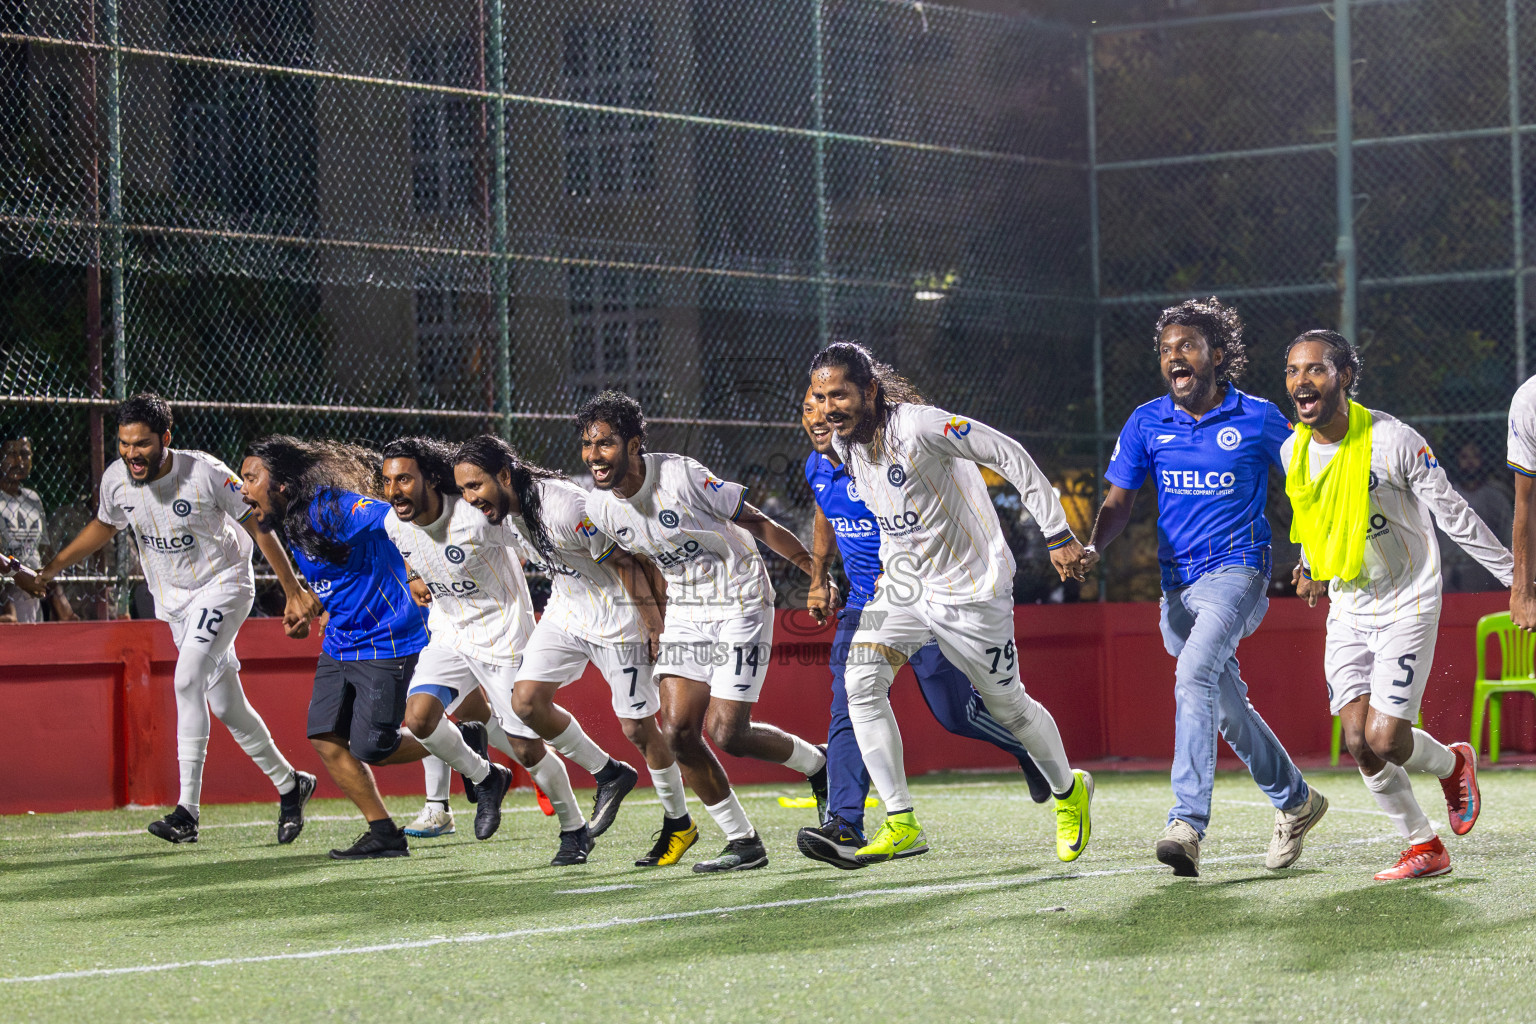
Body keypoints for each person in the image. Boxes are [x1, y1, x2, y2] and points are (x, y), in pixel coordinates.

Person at [807, 342, 1092, 866]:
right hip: (907, 587)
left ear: (870, 390)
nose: (828, 409)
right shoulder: (845, 447)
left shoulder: (921, 427)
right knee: (860, 684)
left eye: (839, 395)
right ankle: (901, 821)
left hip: (972, 589)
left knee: (1007, 706)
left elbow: (1008, 454)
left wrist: (1056, 533)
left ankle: (1068, 791)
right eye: (821, 397)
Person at [1078, 298, 1326, 878]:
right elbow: (1119, 501)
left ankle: (1186, 822)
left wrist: (1312, 554)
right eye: (1166, 350)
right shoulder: (1146, 422)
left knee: (1193, 676)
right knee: (1225, 706)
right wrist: (1093, 547)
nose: (1174, 358)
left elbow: (1307, 485)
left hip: (1239, 572)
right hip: (1176, 588)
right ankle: (1296, 800)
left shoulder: (1260, 418)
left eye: (1185, 346)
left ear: (1216, 354)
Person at [20, 396, 318, 844]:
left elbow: (259, 523)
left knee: (186, 679)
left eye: (141, 444)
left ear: (166, 438)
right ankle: (290, 783)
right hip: (174, 603)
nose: (131, 453)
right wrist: (50, 570)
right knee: (225, 706)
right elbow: (103, 526)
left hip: (224, 585)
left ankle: (187, 814)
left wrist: (293, 589)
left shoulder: (206, 473)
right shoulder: (117, 481)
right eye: (124, 443)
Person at [579, 390, 828, 873]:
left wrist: (813, 574)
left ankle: (819, 765)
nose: (594, 456)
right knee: (677, 731)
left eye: (605, 444)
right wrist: (655, 623)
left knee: (728, 733)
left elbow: (758, 523)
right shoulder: (602, 507)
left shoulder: (681, 476)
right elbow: (630, 565)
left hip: (741, 597)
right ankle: (743, 842)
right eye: (587, 446)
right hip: (688, 611)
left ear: (633, 445)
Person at [1285, 330, 1502, 880]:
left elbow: (1454, 515)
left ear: (1345, 377)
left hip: (1409, 598)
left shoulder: (1394, 440)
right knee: (1359, 740)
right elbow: (1314, 519)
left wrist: (1516, 578)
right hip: (1349, 604)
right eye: (1292, 371)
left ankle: (1454, 766)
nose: (1301, 381)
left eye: (1315, 369)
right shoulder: (1295, 449)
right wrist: (1310, 566)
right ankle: (1423, 845)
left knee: (1386, 737)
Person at [455, 433, 699, 868]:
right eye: (463, 490)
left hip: (620, 615)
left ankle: (679, 822)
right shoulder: (505, 514)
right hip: (567, 611)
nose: (470, 498)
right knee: (526, 703)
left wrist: (656, 625)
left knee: (639, 729)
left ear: (505, 475)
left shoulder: (566, 507)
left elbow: (632, 561)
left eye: (475, 486)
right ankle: (609, 773)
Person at [378, 436, 595, 865]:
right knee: (419, 717)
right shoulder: (393, 523)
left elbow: (535, 536)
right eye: (387, 481)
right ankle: (486, 776)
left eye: (404, 479)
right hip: (451, 634)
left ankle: (575, 828)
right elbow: (410, 552)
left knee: (528, 750)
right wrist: (414, 576)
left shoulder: (477, 518)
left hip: (505, 636)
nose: (393, 490)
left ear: (430, 479)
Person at [241, 435, 443, 860]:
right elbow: (340, 575)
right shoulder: (290, 520)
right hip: (341, 642)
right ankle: (384, 832)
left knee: (374, 747)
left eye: (251, 478)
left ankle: (463, 744)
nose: (243, 488)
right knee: (326, 737)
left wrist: (418, 571)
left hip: (386, 637)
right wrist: (312, 605)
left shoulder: (331, 507)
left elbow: (396, 517)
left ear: (279, 483)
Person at [0, 435, 73, 622]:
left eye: (25, 454)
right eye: (11, 454)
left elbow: (43, 549)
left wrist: (56, 593)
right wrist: (19, 572)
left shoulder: (32, 498)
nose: (19, 461)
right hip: (8, 586)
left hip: (33, 587)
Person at [1441, 440, 1513, 593]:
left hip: (1490, 573)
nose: (1470, 462)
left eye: (1475, 456)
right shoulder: (1446, 497)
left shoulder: (1495, 497)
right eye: (1464, 457)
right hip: (1454, 576)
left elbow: (1508, 536)